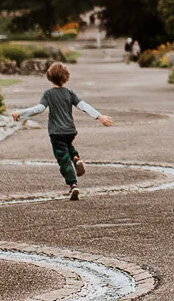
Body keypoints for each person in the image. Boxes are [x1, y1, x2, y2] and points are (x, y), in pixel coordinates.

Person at [13, 61, 113, 199]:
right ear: (66, 77)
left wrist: (21, 113)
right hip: (70, 130)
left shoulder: (48, 94)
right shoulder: (69, 93)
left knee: (63, 159)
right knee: (67, 146)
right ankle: (76, 158)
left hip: (56, 132)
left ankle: (73, 185)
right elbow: (83, 106)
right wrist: (99, 116)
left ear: (49, 77)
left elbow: (39, 109)